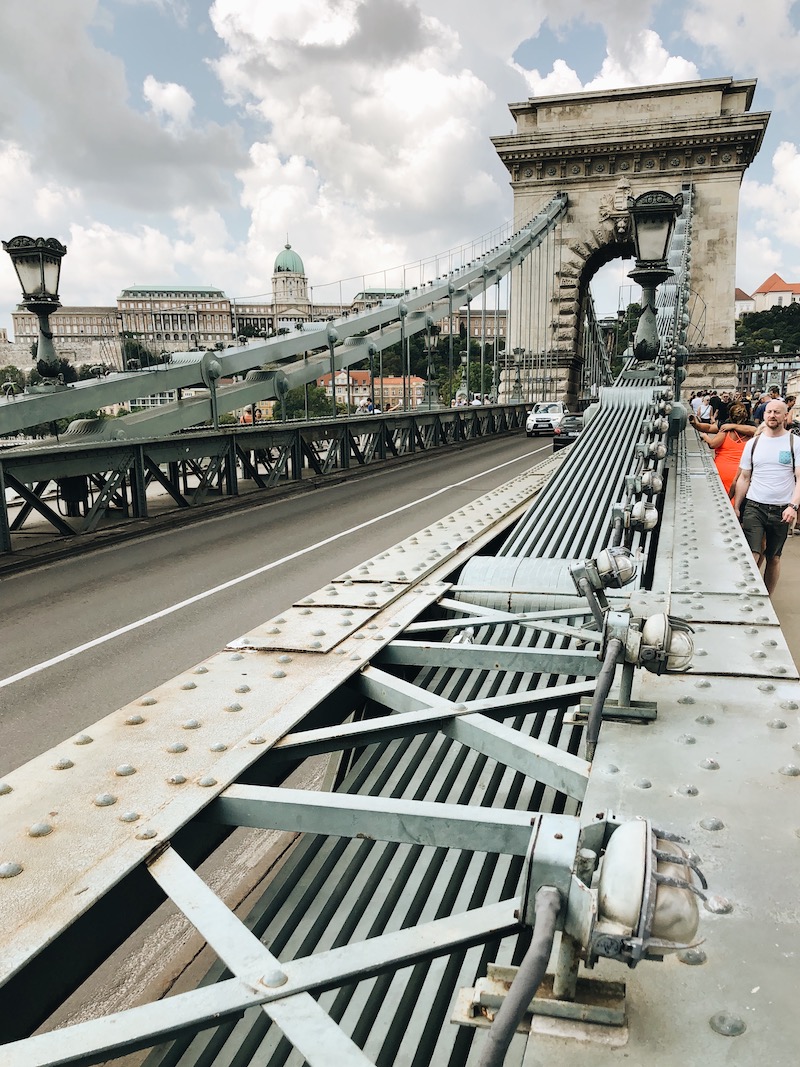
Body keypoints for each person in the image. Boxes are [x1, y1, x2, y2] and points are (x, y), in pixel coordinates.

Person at [733, 400, 800, 594]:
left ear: (786, 416)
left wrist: (793, 506)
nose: (772, 415)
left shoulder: (794, 443)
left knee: (773, 557)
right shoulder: (753, 444)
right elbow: (744, 477)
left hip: (782, 510)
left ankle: (767, 597)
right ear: (764, 415)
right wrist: (737, 506)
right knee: (752, 554)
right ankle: (749, 594)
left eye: (777, 412)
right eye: (769, 412)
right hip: (755, 505)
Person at [698, 403, 751, 496]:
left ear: (730, 416)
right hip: (742, 471)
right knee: (738, 498)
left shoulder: (725, 431)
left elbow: (713, 444)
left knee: (723, 496)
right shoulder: (751, 434)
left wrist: (705, 436)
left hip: (723, 469)